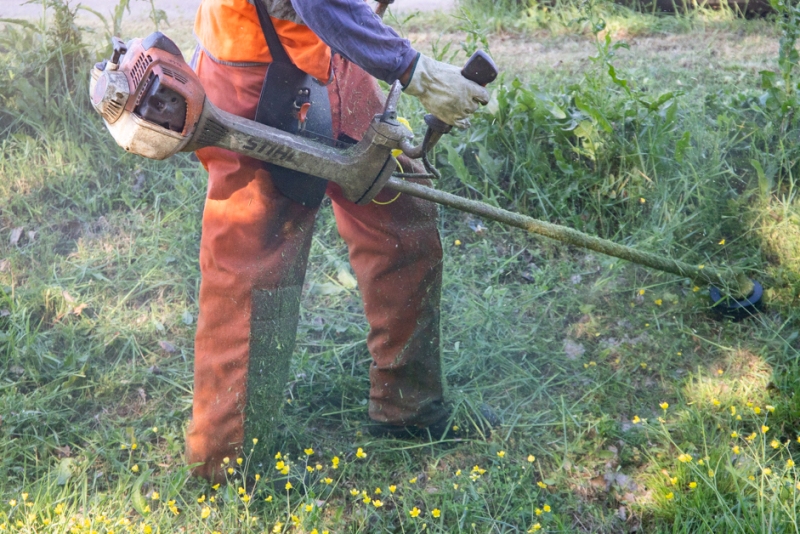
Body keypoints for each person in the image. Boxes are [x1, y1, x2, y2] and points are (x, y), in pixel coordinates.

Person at [185, 0, 489, 481]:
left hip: (332, 57)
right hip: (255, 74)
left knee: (402, 217)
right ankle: (226, 469)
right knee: (250, 272)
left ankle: (406, 407)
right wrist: (417, 73)